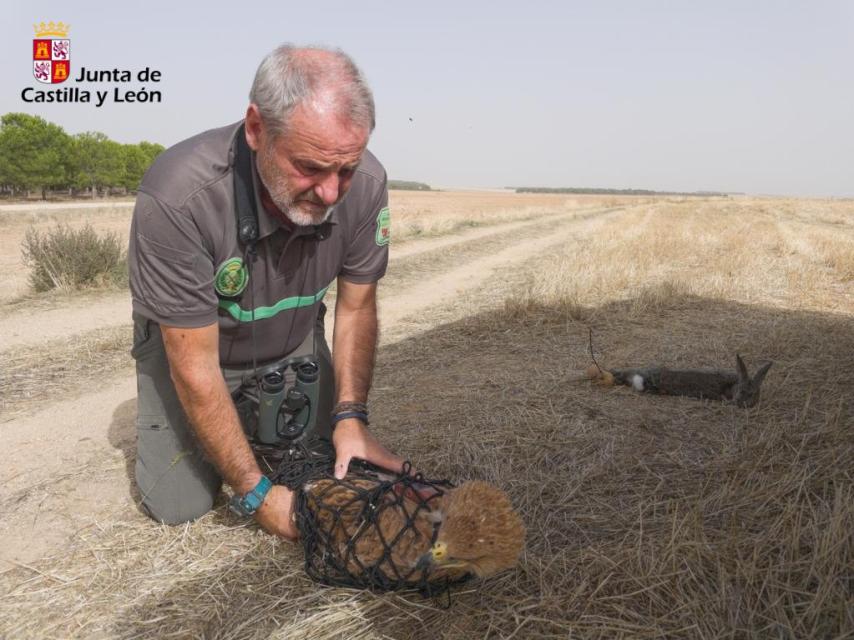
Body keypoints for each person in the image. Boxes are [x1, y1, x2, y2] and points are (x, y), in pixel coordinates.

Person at [128, 44, 403, 540]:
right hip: (199, 352)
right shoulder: (178, 196)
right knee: (180, 504)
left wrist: (350, 416)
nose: (329, 192)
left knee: (323, 464)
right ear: (256, 129)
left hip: (293, 337)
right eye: (310, 167)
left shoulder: (367, 184)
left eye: (346, 169)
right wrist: (257, 494)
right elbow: (193, 366)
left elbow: (357, 307)